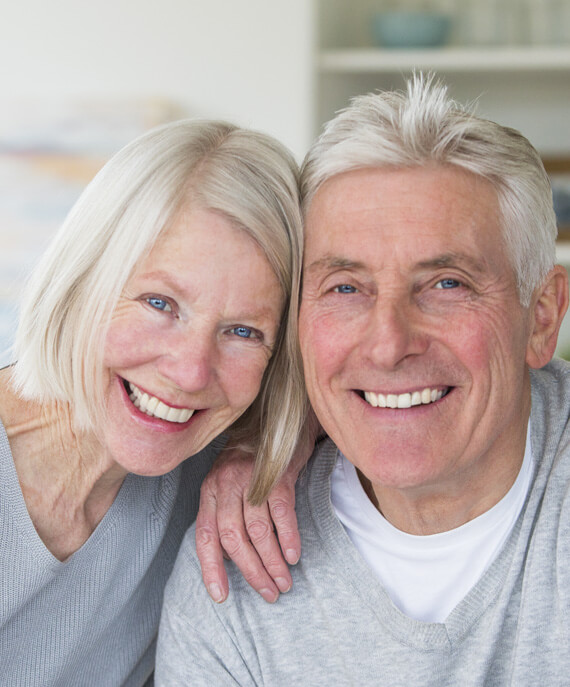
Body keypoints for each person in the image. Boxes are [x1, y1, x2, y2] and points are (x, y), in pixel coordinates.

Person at [156, 74, 570, 685]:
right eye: (345, 288)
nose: (388, 343)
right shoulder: (232, 571)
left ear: (541, 318)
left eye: (446, 284)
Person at [0, 118, 307, 686]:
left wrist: (271, 451)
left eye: (243, 331)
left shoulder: (199, 475)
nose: (190, 373)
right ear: (83, 279)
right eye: (160, 303)